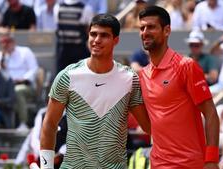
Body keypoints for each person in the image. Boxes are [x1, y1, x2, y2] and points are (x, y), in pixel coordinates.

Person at [40, 13, 151, 169]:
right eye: (93, 34)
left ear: (116, 40)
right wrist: (46, 167)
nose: (97, 40)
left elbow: (148, 126)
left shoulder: (130, 78)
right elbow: (49, 124)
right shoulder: (67, 76)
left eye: (104, 35)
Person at [138, 6, 219, 169]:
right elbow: (150, 126)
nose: (145, 32)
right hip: (157, 164)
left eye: (151, 27)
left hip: (189, 164)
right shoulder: (142, 75)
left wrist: (211, 159)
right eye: (142, 28)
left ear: (167, 30)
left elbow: (210, 113)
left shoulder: (186, 66)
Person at [0, 31, 39, 131]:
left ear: (13, 41)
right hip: (7, 87)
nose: (5, 44)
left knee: (17, 91)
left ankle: (23, 123)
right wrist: (1, 65)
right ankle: (4, 124)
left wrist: (23, 79)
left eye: (7, 41)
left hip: (26, 86)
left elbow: (34, 69)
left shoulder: (25, 52)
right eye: (2, 42)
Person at [54, 0, 94, 73]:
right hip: (78, 51)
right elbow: (90, 32)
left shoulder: (58, 7)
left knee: (63, 80)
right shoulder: (86, 8)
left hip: (62, 52)